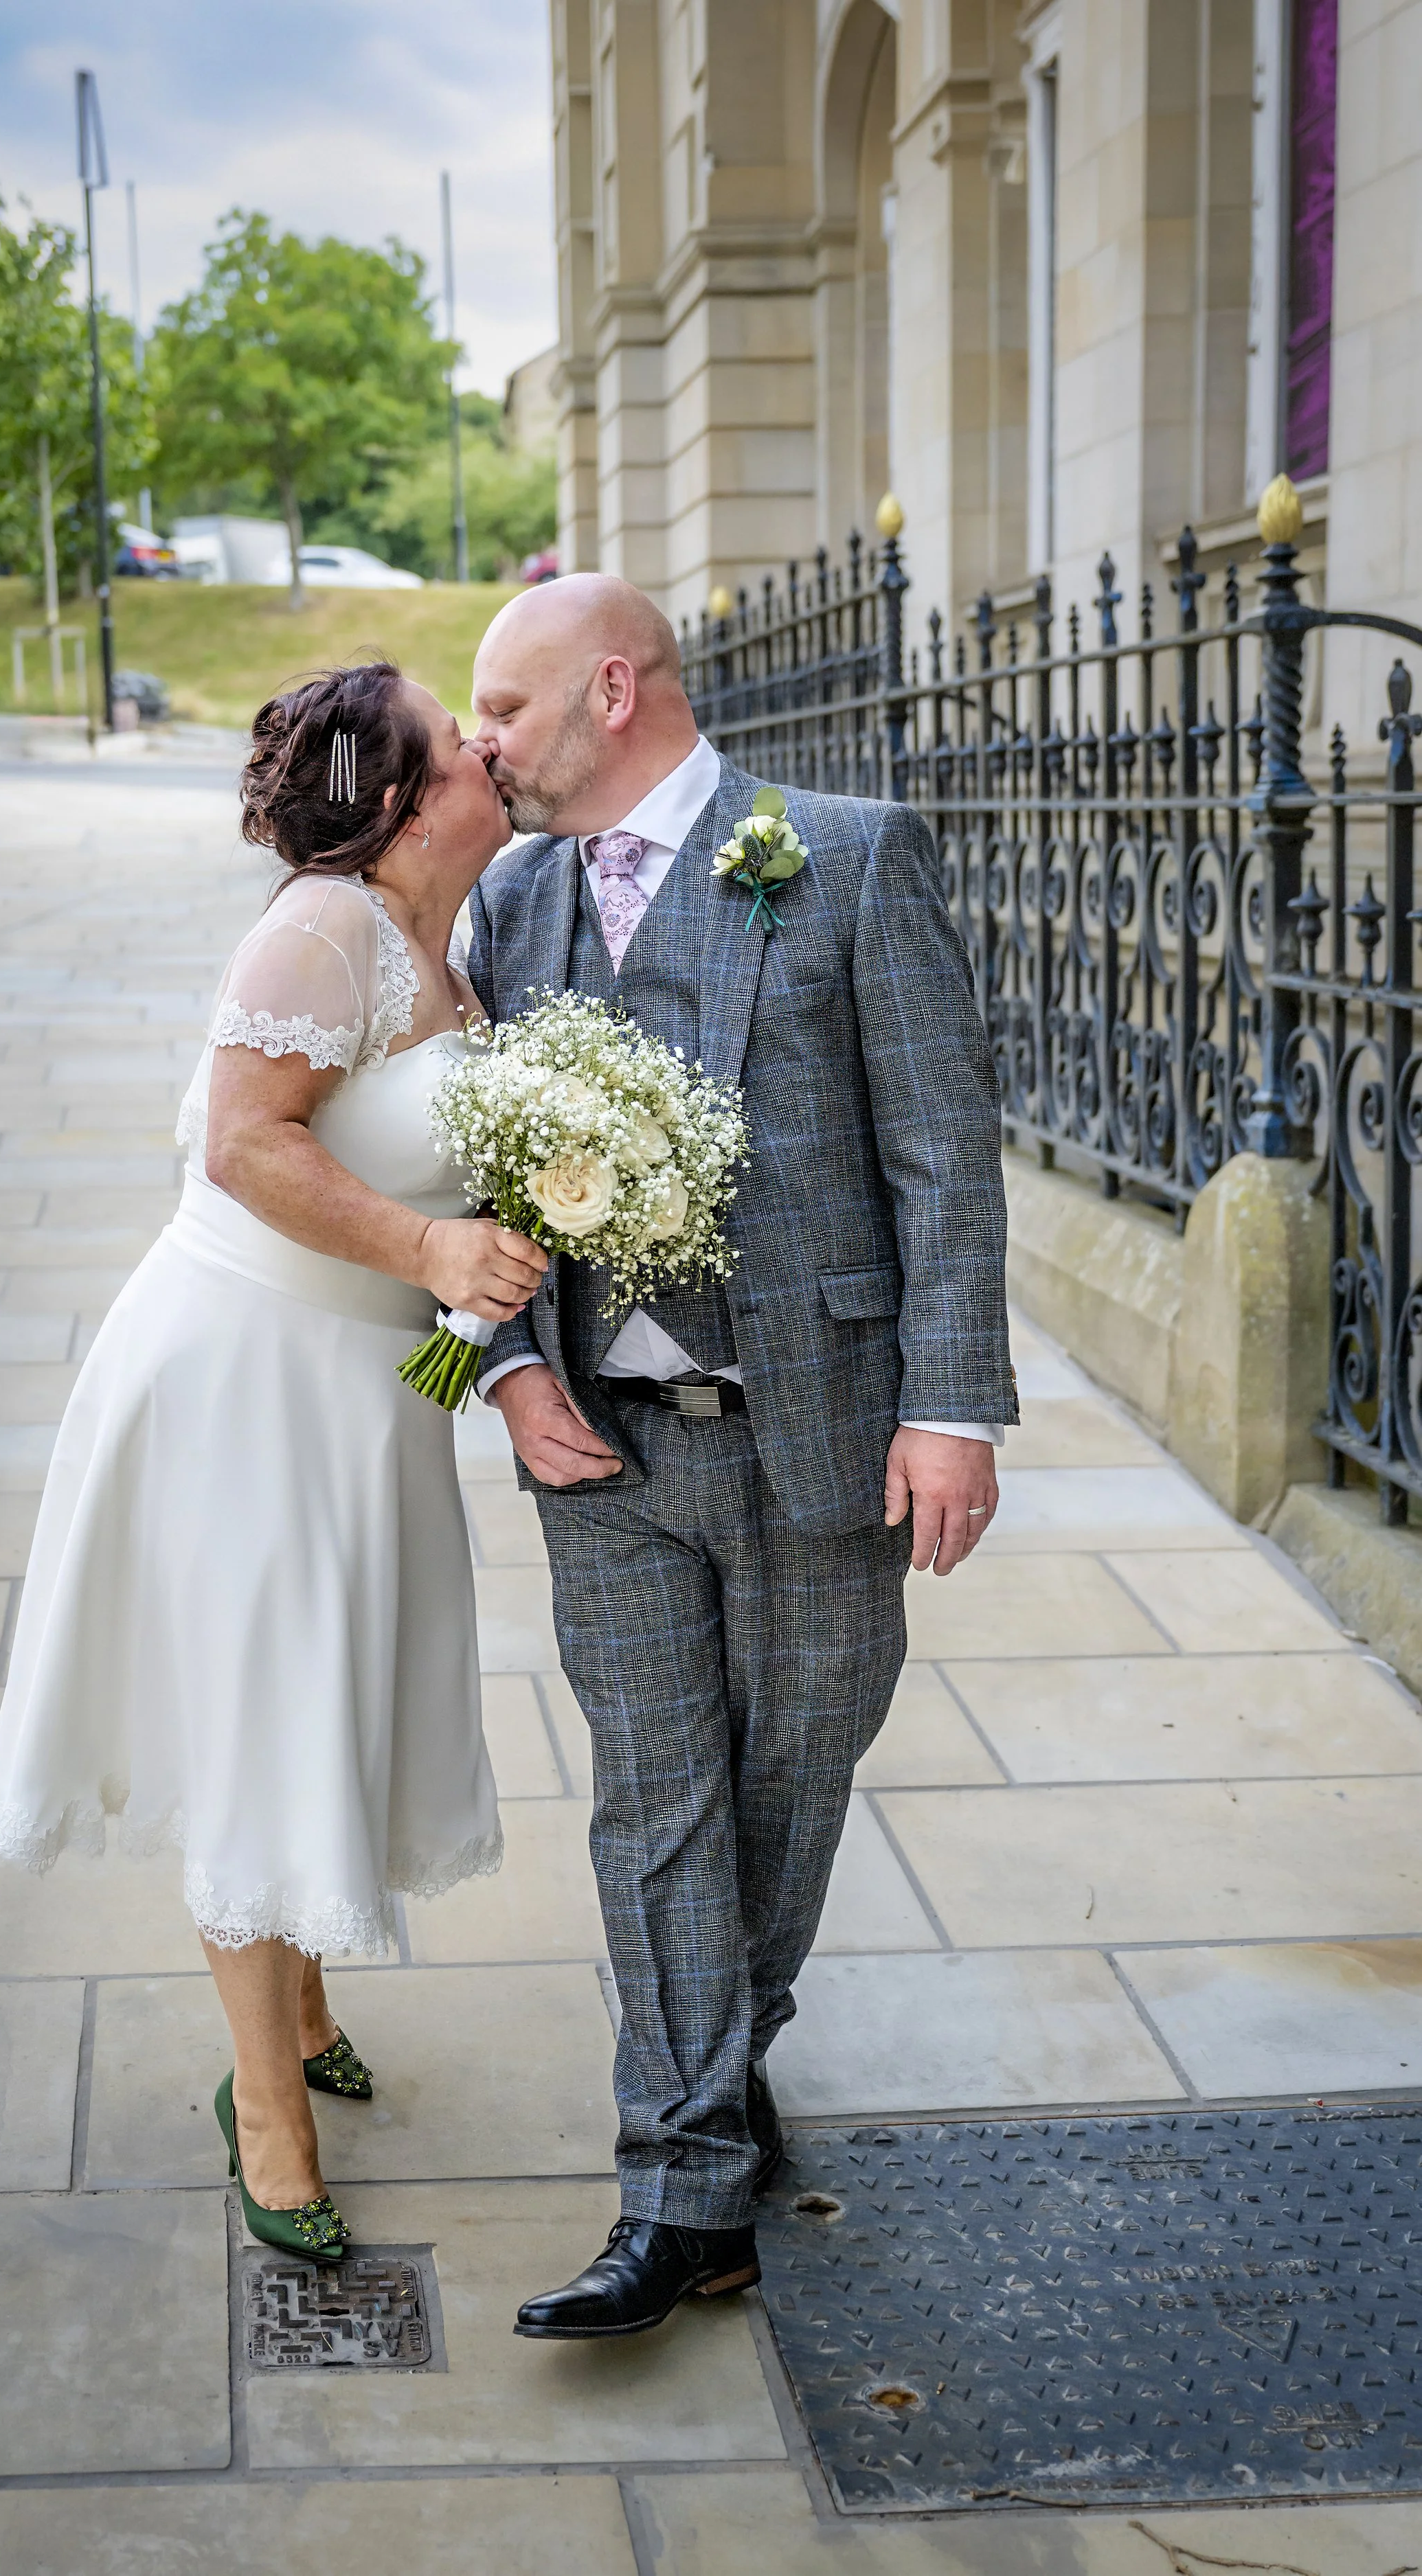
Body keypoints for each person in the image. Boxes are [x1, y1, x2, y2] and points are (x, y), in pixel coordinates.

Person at [465, 575, 1016, 2338]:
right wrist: (487, 1373)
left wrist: (952, 1410)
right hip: (601, 1452)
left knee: (788, 1788)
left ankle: (722, 2052)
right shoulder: (506, 903)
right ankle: (681, 2188)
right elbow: (453, 1193)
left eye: (503, 707)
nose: (480, 743)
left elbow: (942, 1156)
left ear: (607, 692)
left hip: (825, 1441)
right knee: (651, 1809)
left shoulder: (837, 856)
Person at [0, 662, 546, 2260]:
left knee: (323, 1698)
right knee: (259, 1718)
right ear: (399, 803)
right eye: (460, 739)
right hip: (246, 1378)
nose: (489, 746)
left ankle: (297, 2019)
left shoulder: (450, 934)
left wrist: (464, 1307)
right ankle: (268, 2116)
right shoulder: (318, 926)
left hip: (365, 1388)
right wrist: (432, 1245)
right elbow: (243, 1144)